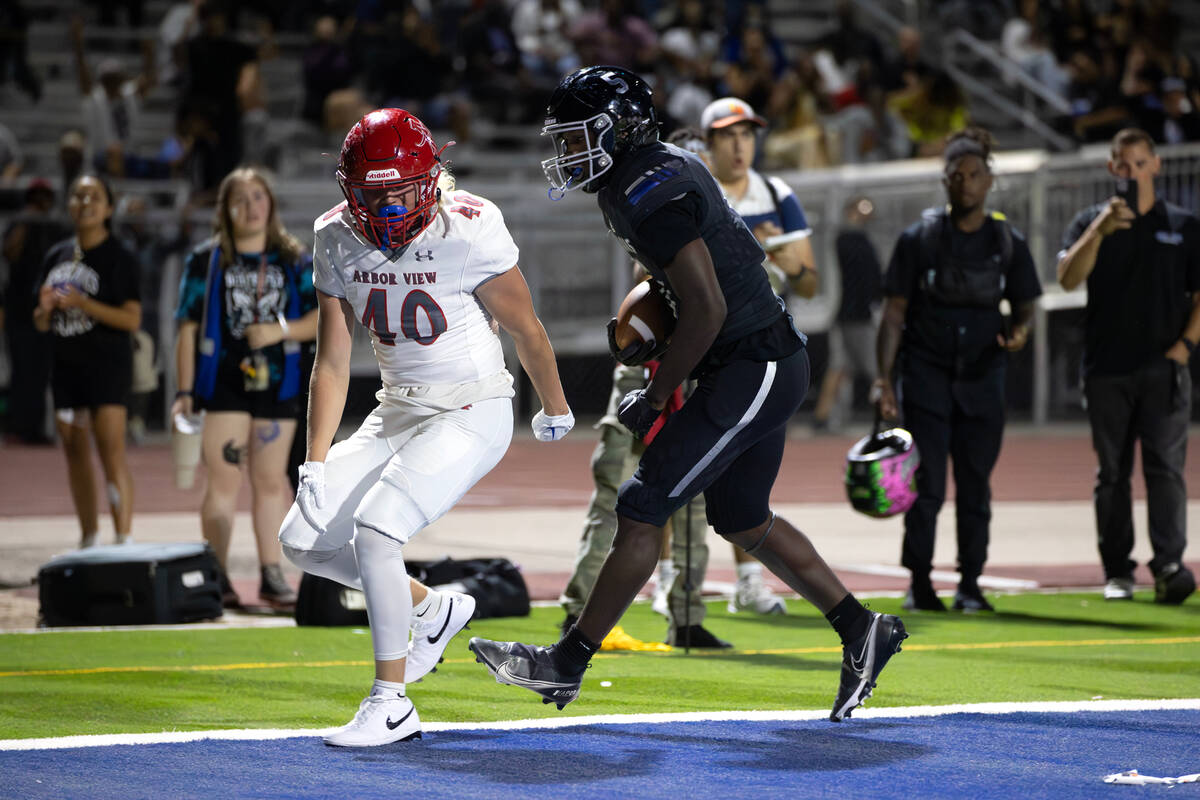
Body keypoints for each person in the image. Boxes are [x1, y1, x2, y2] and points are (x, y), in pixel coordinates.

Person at [469, 66, 907, 723]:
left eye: (577, 136)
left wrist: (657, 392)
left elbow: (704, 306)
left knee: (644, 504)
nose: (567, 153)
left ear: (618, 129)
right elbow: (699, 289)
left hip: (752, 364)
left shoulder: (647, 187)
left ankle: (565, 664)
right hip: (755, 358)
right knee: (741, 517)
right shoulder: (648, 170)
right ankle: (862, 629)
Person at [277, 108, 574, 747]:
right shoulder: (334, 236)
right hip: (397, 408)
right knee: (301, 540)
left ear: (430, 178)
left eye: (400, 190)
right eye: (372, 193)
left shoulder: (469, 226)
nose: (386, 207)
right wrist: (315, 460)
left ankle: (391, 703)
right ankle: (430, 606)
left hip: (473, 406)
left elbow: (525, 328)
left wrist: (553, 404)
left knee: (378, 530)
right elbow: (331, 362)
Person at [873, 128, 1043, 613]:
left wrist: (1022, 331)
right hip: (926, 377)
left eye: (975, 174)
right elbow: (893, 313)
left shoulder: (1007, 241)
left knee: (975, 485)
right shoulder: (919, 239)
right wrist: (884, 379)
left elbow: (1027, 303)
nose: (966, 182)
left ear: (989, 180)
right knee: (926, 487)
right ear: (944, 180)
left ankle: (970, 583)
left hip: (983, 380)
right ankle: (919, 583)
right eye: (957, 174)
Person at [1057, 127, 1199, 605]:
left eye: (1141, 163)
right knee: (1112, 474)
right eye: (1123, 164)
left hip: (1163, 368)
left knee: (1166, 469)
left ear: (1155, 165)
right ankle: (1118, 571)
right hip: (1106, 369)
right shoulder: (1088, 223)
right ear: (1111, 168)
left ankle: (1169, 565)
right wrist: (1099, 229)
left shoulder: (1183, 225)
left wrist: (1185, 347)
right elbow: (1068, 277)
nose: (1132, 172)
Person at [172, 167, 317, 611]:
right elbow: (187, 328)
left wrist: (279, 332)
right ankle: (216, 577)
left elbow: (322, 319)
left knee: (272, 482)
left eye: (258, 197)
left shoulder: (294, 258)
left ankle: (272, 577)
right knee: (223, 480)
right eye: (240, 199)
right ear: (226, 209)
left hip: (279, 383)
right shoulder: (208, 259)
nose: (251, 206)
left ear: (270, 204)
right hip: (224, 385)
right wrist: (184, 390)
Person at [703, 95, 816, 615]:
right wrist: (760, 249)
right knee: (680, 468)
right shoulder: (697, 191)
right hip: (707, 348)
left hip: (766, 352)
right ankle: (671, 581)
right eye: (728, 135)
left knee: (750, 466)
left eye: (746, 134)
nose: (739, 144)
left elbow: (810, 283)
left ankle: (748, 577)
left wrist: (792, 266)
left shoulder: (776, 192)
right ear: (708, 143)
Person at [32, 174, 141, 549]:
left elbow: (132, 319)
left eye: (93, 196)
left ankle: (123, 538)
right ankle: (89, 537)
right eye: (77, 195)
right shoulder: (56, 255)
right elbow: (40, 319)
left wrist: (84, 304)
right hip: (66, 365)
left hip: (107, 365)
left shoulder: (120, 256)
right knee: (75, 453)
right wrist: (43, 311)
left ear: (108, 208)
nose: (84, 202)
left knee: (111, 450)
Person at [3, 179, 68, 444]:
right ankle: (17, 428)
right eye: (35, 198)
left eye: (44, 197)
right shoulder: (18, 226)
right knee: (21, 369)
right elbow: (9, 252)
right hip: (18, 310)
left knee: (41, 370)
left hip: (45, 308)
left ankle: (34, 429)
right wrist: (26, 222)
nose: (40, 203)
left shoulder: (54, 229)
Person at [812, 196, 884, 432]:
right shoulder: (850, 240)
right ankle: (887, 413)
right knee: (874, 368)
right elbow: (871, 276)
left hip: (853, 314)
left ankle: (824, 417)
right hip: (856, 316)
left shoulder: (855, 240)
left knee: (840, 367)